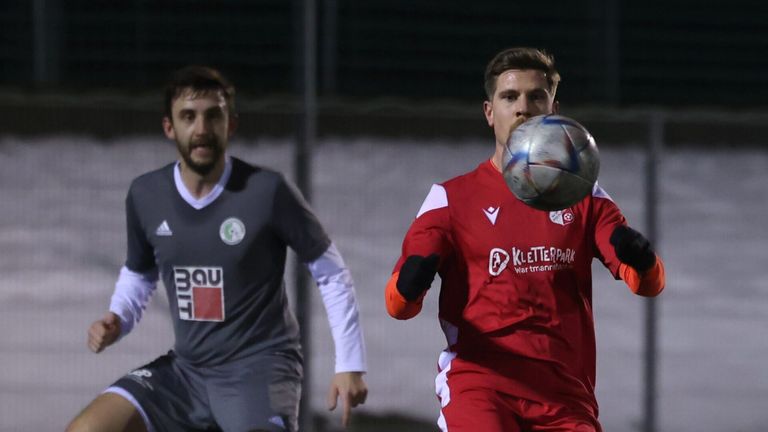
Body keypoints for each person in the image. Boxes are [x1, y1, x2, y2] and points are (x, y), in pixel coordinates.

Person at [67, 66, 368, 432]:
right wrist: (118, 317)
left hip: (259, 370)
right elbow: (140, 272)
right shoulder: (146, 194)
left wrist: (350, 364)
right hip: (186, 372)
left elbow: (332, 273)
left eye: (213, 116)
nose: (201, 129)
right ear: (169, 128)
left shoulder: (266, 191)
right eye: (188, 117)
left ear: (231, 125)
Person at [385, 47, 665, 431]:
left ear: (554, 110)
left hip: (564, 396)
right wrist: (410, 283)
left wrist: (642, 259)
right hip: (481, 384)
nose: (523, 108)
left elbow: (648, 284)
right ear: (489, 112)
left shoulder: (583, 195)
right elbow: (398, 306)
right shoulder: (450, 200)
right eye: (509, 97)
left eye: (536, 97)